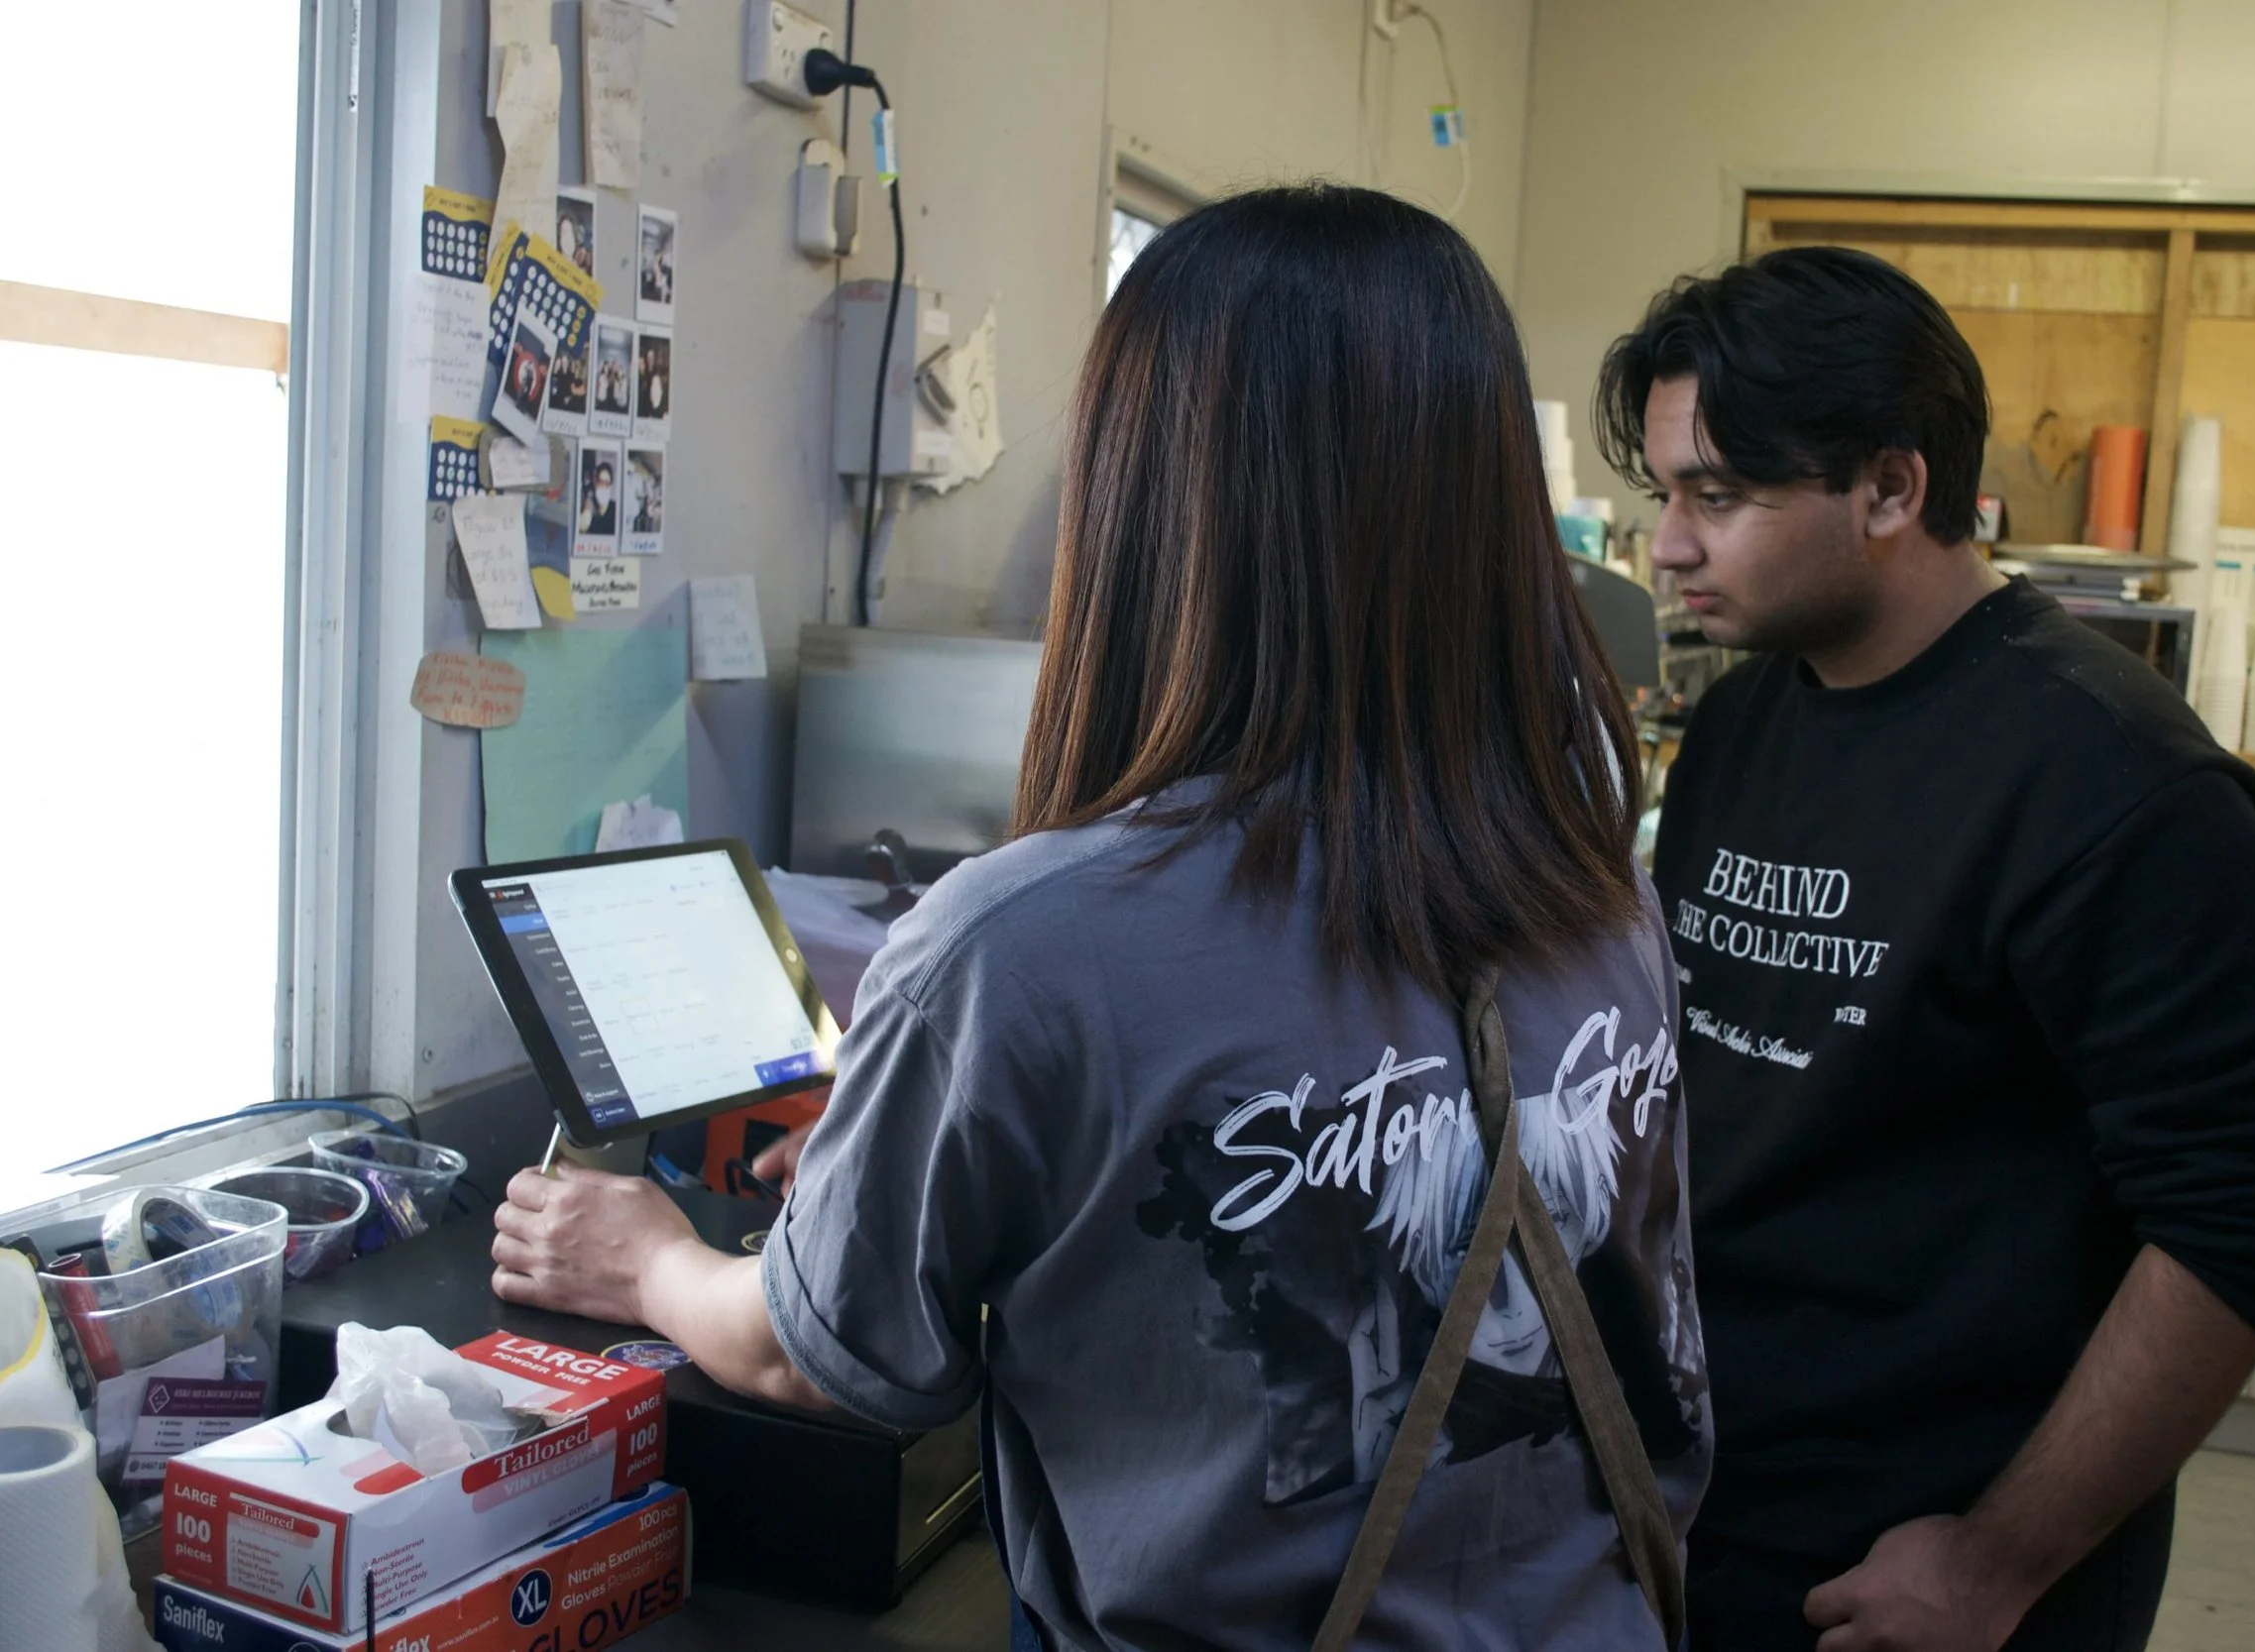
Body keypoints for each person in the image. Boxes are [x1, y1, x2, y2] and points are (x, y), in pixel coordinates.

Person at [492, 184, 1713, 1649]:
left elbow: (808, 1357)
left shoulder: (1022, 947)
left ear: (1149, 505)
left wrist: (643, 1257)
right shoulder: (1603, 890)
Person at [1593, 247, 2255, 1652]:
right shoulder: (1750, 718)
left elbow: (2243, 1217)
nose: (1669, 548)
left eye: (1722, 496)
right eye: (1665, 495)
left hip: (1933, 1558)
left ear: (1892, 487)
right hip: (1720, 1495)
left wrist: (1998, 1559)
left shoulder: (2115, 783)